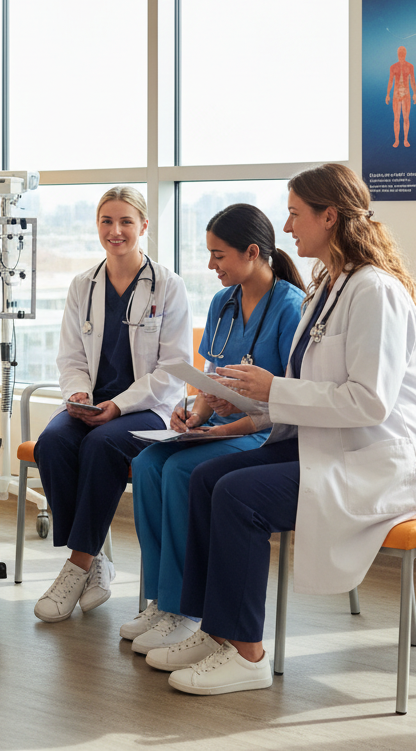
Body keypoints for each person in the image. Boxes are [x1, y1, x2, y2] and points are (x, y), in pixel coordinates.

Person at [158, 164, 416, 696]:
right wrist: (244, 400)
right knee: (208, 478)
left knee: (239, 495)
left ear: (328, 217)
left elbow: (369, 402)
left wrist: (273, 391)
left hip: (374, 460)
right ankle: (215, 630)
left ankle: (247, 655)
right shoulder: (328, 286)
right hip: (326, 445)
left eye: (294, 214)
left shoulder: (373, 291)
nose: (286, 228)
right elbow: (307, 391)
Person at [124, 204, 304, 655]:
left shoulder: (290, 307)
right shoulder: (221, 303)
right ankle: (163, 601)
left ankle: (186, 609)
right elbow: (210, 379)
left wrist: (221, 432)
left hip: (262, 435)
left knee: (183, 472)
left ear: (252, 251)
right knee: (148, 463)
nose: (211, 266)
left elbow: (285, 404)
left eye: (219, 255)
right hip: (219, 429)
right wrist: (195, 415)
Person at [33, 186, 193, 623]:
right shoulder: (82, 286)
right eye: (107, 221)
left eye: (126, 222)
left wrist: (119, 406)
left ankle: (77, 565)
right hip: (93, 404)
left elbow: (174, 369)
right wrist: (79, 394)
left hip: (148, 406)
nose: (115, 231)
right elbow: (70, 358)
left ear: (143, 226)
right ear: (97, 226)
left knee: (102, 445)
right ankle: (95, 557)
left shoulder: (169, 286)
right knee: (52, 443)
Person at [386, 46, 416, 148]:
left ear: (406, 53)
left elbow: (412, 81)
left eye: (403, 51)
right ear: (397, 53)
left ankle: (406, 139)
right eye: (400, 51)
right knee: (396, 118)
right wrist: (387, 94)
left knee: (406, 118)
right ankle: (396, 140)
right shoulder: (393, 67)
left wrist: (414, 93)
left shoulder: (410, 66)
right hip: (396, 95)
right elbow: (390, 81)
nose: (401, 53)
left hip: (406, 95)